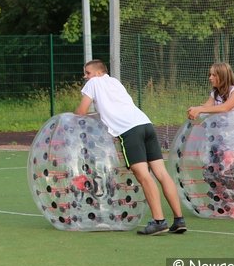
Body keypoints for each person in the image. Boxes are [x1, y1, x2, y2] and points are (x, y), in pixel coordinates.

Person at [74, 59, 186, 235]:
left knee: (144, 176)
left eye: (87, 73)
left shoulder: (93, 83)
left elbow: (81, 112)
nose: (85, 76)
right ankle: (179, 220)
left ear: (97, 73)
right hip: (146, 124)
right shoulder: (114, 82)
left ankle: (159, 221)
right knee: (162, 174)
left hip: (129, 132)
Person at [187, 62, 234, 217]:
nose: (210, 78)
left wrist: (200, 109)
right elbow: (206, 109)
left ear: (223, 76)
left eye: (213, 75)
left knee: (225, 173)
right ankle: (225, 204)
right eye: (210, 74)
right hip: (219, 143)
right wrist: (195, 111)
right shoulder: (215, 94)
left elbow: (225, 108)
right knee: (209, 174)